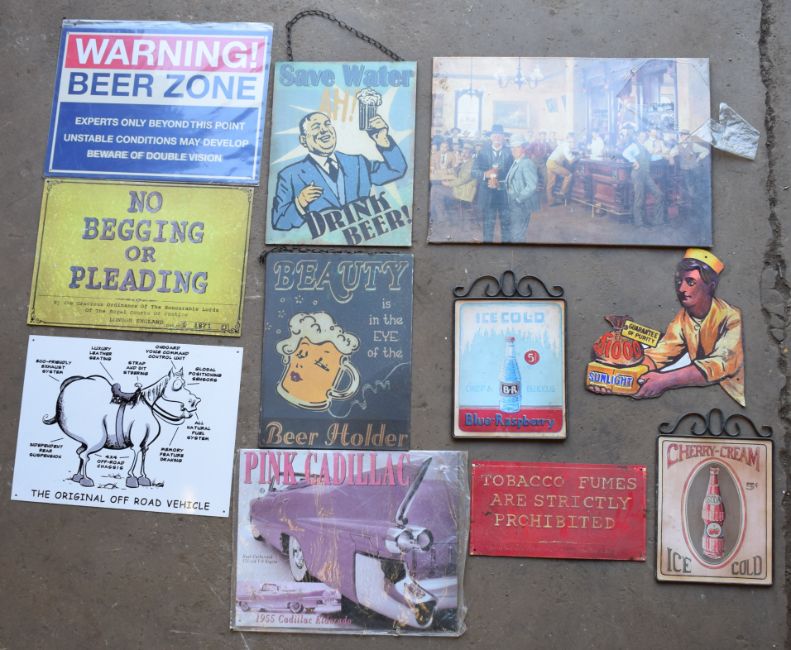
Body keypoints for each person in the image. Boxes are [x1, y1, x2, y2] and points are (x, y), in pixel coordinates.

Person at [634, 249, 744, 406]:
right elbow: (663, 351)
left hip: (732, 398)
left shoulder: (732, 317)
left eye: (690, 282)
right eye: (679, 282)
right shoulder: (683, 317)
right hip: (704, 399)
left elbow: (720, 364)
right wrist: (626, 374)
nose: (681, 289)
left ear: (711, 286)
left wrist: (664, 380)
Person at [271, 111, 406, 231]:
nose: (324, 130)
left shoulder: (357, 162)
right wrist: (300, 202)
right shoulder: (289, 175)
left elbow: (396, 170)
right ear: (303, 140)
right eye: (316, 127)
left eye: (327, 124)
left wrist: (383, 140)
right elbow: (279, 223)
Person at [473, 124, 514, 241]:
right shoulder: (482, 153)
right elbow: (474, 172)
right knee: (488, 226)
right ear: (490, 137)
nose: (497, 137)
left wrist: (501, 183)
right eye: (494, 135)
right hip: (488, 195)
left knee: (506, 225)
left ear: (503, 137)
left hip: (504, 195)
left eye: (499, 135)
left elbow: (514, 175)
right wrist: (485, 174)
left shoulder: (510, 153)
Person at [622, 131, 665, 227]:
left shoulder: (645, 147)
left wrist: (663, 156)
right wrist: (634, 161)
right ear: (637, 137)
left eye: (644, 136)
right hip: (637, 174)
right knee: (639, 199)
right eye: (641, 136)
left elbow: (651, 158)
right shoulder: (634, 146)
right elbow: (625, 153)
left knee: (659, 194)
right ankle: (639, 223)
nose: (643, 137)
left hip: (646, 174)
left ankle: (657, 221)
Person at [504, 138, 539, 241]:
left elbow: (532, 186)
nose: (514, 150)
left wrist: (518, 199)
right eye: (512, 148)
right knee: (514, 232)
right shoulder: (516, 161)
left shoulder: (527, 163)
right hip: (514, 203)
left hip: (521, 204)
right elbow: (511, 182)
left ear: (523, 149)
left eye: (517, 147)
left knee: (517, 235)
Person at [545, 132, 576, 205]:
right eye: (572, 141)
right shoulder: (566, 147)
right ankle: (561, 194)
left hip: (549, 162)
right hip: (553, 164)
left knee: (551, 183)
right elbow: (571, 161)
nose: (573, 143)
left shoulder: (563, 144)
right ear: (569, 140)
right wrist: (576, 157)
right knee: (569, 175)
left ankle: (550, 201)